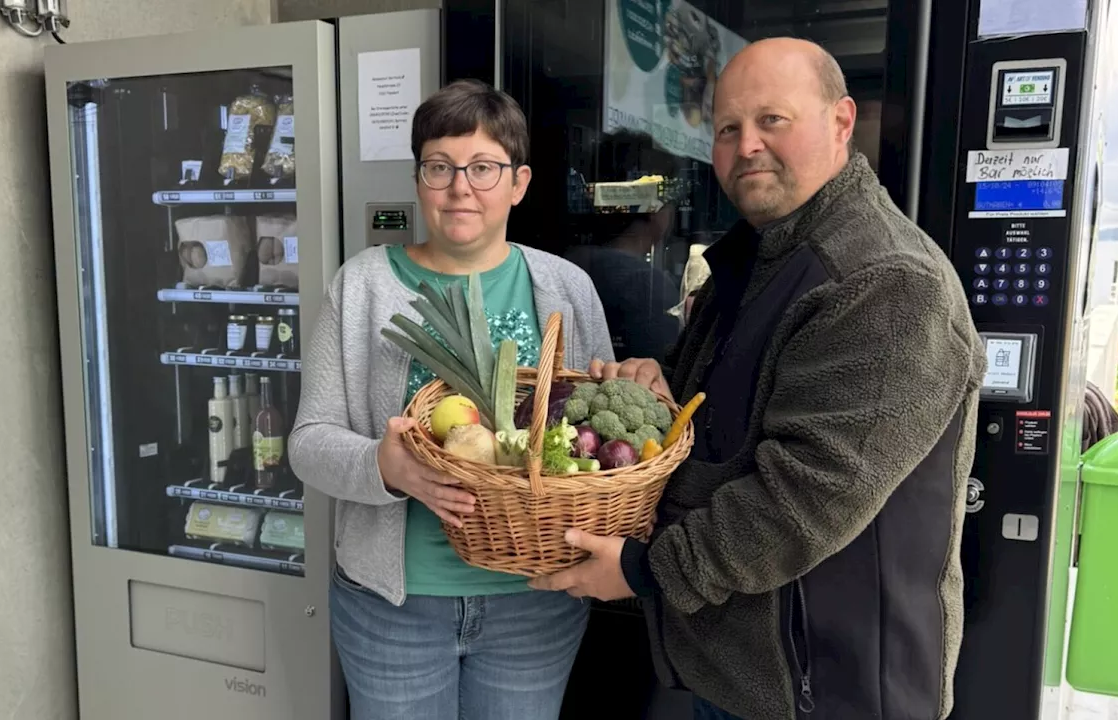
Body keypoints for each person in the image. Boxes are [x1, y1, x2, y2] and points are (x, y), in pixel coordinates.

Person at [529, 38, 986, 720]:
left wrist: (640, 570)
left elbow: (804, 497)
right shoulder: (762, 255)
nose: (746, 147)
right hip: (746, 672)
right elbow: (730, 419)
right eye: (727, 129)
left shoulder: (886, 282)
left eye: (772, 120)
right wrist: (663, 393)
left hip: (827, 687)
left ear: (840, 122)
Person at [289, 79, 614, 720]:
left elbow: (593, 443)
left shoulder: (565, 288)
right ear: (419, 180)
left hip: (536, 600)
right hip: (393, 606)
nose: (460, 186)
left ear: (518, 183)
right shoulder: (363, 285)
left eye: (483, 168)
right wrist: (385, 468)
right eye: (439, 167)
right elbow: (308, 442)